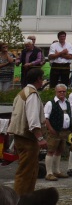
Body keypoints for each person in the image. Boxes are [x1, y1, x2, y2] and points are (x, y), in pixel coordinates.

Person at [8, 68, 46, 196]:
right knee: (26, 172)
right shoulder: (32, 94)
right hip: (28, 138)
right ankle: (20, 199)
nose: (43, 81)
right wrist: (40, 138)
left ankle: (26, 197)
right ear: (38, 79)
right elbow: (33, 119)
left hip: (20, 136)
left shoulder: (22, 92)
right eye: (42, 78)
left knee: (30, 170)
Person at [42, 84, 71, 181]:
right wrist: (50, 129)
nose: (62, 93)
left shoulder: (67, 103)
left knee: (59, 150)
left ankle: (57, 171)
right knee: (51, 150)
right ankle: (49, 173)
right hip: (54, 131)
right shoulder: (50, 103)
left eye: (64, 91)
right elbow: (46, 118)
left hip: (63, 131)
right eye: (60, 91)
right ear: (56, 92)